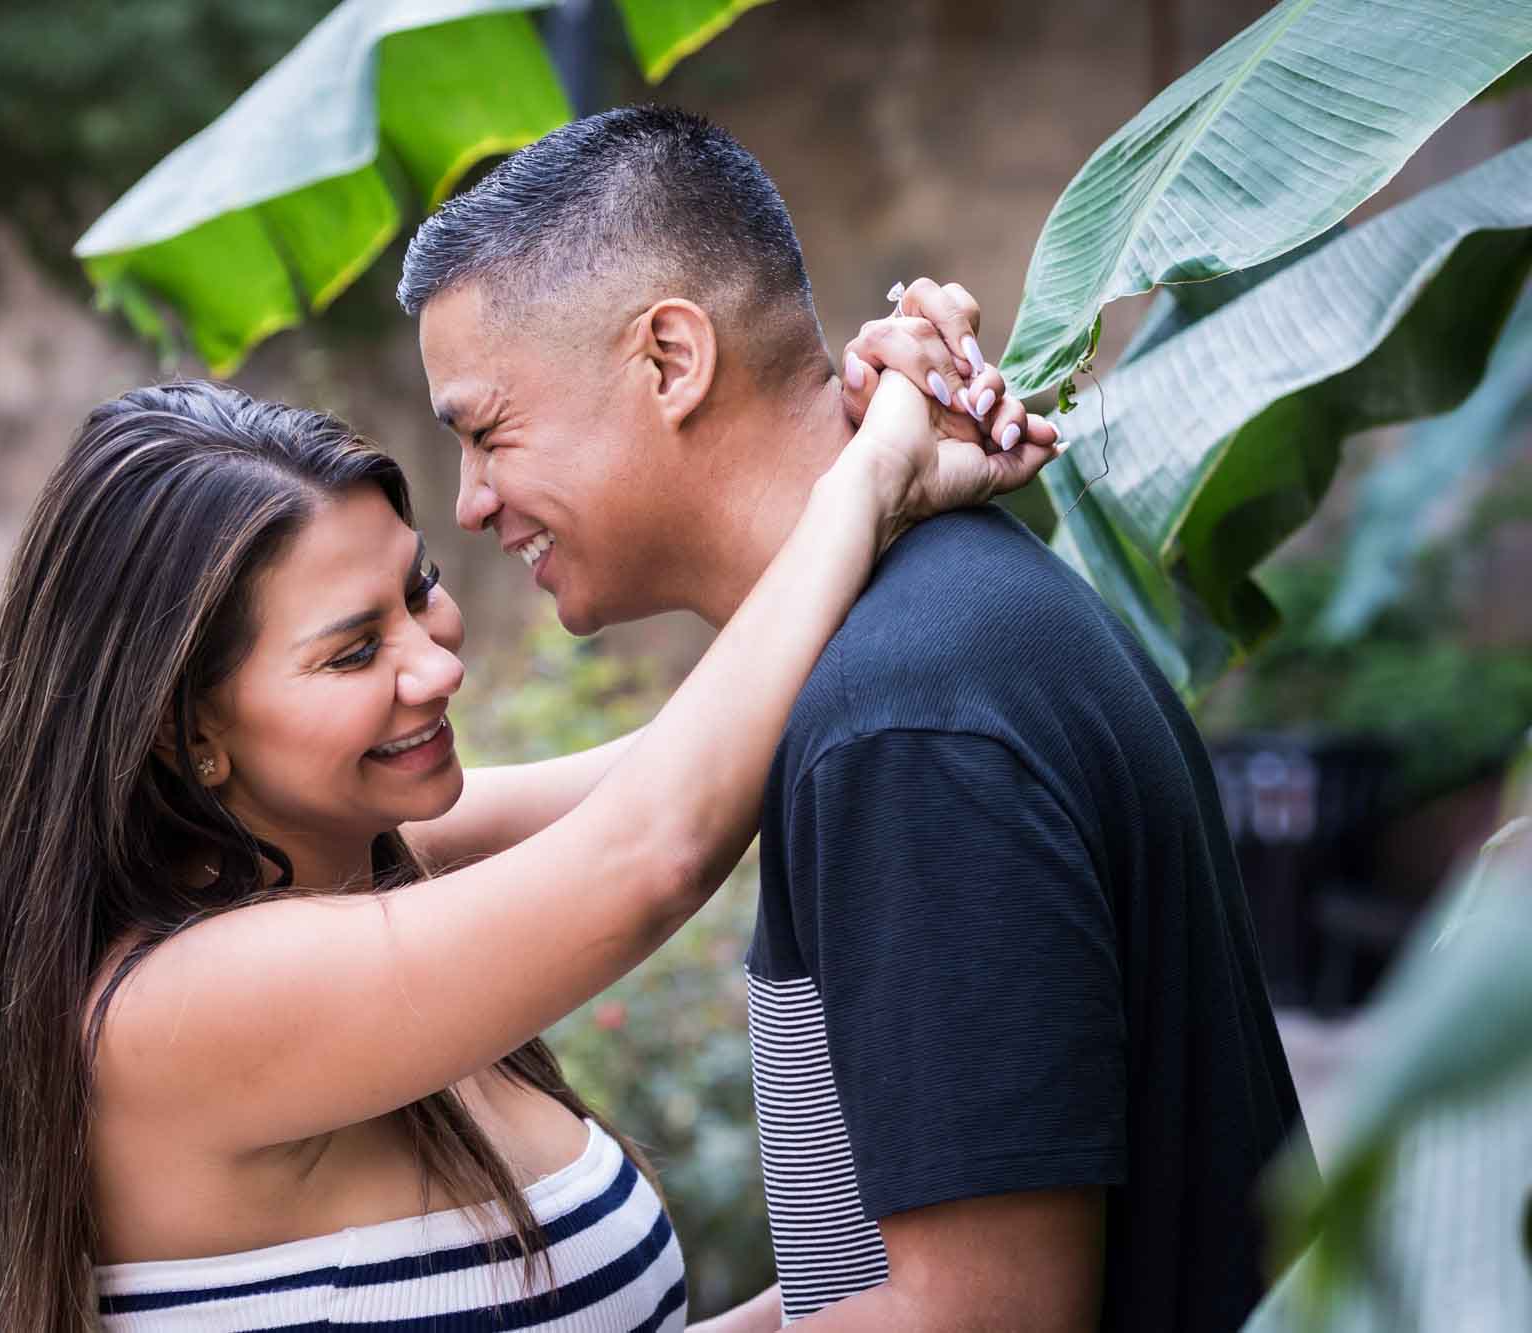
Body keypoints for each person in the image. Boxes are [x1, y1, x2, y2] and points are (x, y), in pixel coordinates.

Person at [0, 360, 1055, 1330]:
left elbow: (695, 757)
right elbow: (657, 845)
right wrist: (861, 479)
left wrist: (884, 454)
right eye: (354, 652)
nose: (438, 663)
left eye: (420, 592)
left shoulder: (364, 854)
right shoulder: (179, 1006)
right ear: (185, 729)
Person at [398, 105, 1306, 1333]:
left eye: (486, 431)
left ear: (670, 360)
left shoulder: (898, 723)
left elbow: (977, 1316)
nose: (470, 502)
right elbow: (878, 1273)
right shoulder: (909, 648)